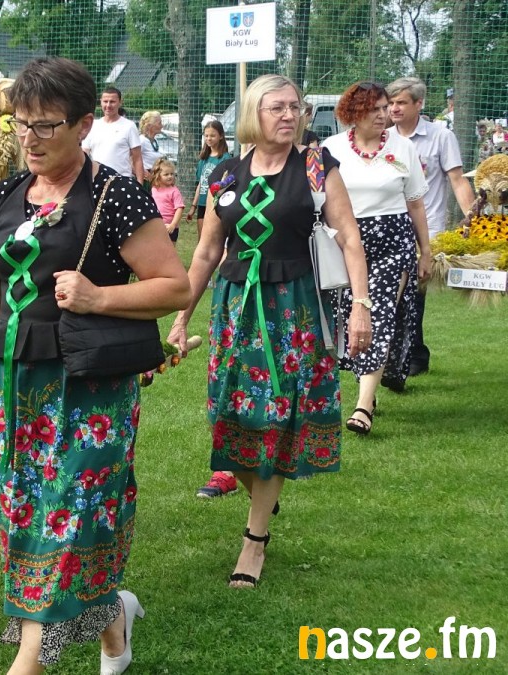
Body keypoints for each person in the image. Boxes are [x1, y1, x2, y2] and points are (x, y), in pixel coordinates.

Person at [0, 57, 190, 673]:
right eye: (20, 124)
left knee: (73, 514)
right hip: (17, 383)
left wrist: (98, 297)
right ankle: (113, 620)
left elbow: (175, 286)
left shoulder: (117, 195)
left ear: (84, 126)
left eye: (45, 125)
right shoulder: (0, 199)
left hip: (90, 388)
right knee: (27, 513)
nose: (29, 139)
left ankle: (29, 661)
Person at [168, 74, 373, 588]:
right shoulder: (225, 174)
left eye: (295, 107)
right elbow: (206, 251)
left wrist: (360, 306)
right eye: (276, 107)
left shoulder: (316, 166)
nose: (289, 115)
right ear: (252, 114)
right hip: (235, 308)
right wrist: (182, 315)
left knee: (276, 419)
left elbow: (349, 238)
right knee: (227, 415)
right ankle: (264, 493)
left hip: (292, 311)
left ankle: (254, 539)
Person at [322, 82, 429, 433]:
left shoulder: (403, 147)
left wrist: (425, 251)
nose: (384, 115)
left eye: (386, 108)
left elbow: (415, 204)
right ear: (354, 113)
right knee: (350, 318)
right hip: (347, 241)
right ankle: (369, 382)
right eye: (376, 109)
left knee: (377, 314)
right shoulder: (331, 148)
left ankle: (363, 405)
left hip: (394, 241)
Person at [386, 77, 476, 377]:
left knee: (414, 295)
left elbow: (457, 180)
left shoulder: (441, 136)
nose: (394, 108)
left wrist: (474, 219)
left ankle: (413, 356)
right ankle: (409, 353)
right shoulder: (384, 137)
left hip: (429, 227)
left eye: (401, 102)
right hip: (389, 227)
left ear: (419, 103)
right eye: (391, 103)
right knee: (395, 295)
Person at [82, 86, 144, 182]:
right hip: (97, 182)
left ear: (120, 102)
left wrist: (140, 184)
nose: (108, 105)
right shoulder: (93, 125)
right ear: (100, 102)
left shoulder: (129, 126)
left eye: (112, 102)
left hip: (122, 181)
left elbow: (137, 158)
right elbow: (84, 154)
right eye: (105, 101)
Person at [190, 120, 233, 241]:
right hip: (202, 204)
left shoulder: (225, 158)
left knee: (214, 239)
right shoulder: (203, 159)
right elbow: (200, 183)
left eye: (213, 135)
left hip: (215, 204)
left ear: (221, 136)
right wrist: (193, 206)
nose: (209, 138)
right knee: (202, 239)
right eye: (206, 135)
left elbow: (225, 184)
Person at [149, 156, 184, 241]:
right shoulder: (154, 189)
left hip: (170, 227)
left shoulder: (174, 191)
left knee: (169, 248)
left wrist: (173, 225)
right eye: (166, 174)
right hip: (157, 226)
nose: (170, 176)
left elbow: (179, 208)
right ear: (158, 176)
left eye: (172, 174)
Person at [138, 110, 165, 181]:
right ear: (150, 126)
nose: (162, 126)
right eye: (159, 123)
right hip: (146, 179)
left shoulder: (154, 140)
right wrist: (144, 173)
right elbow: (131, 160)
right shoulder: (142, 140)